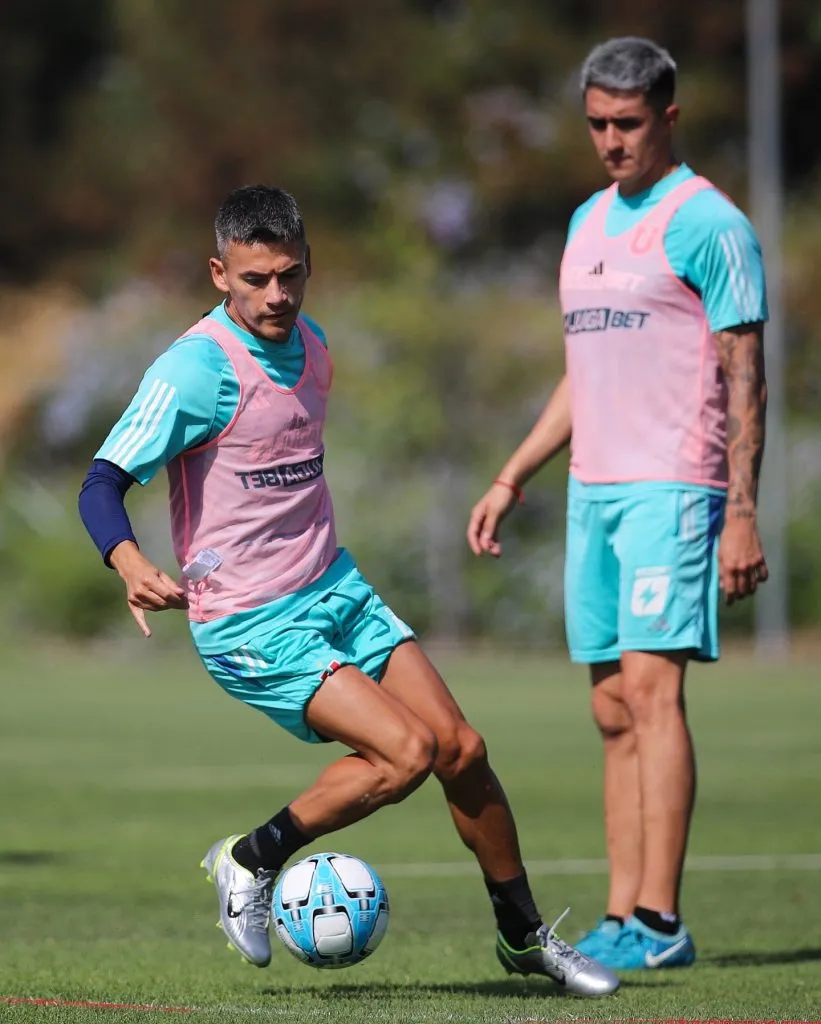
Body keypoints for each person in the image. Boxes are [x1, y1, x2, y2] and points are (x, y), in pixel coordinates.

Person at [78, 185, 618, 997]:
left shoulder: (315, 346)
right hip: (250, 620)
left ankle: (522, 938)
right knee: (404, 754)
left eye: (290, 275)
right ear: (219, 273)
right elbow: (101, 483)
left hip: (334, 586)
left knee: (462, 751)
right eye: (255, 279)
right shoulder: (194, 368)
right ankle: (250, 858)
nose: (276, 295)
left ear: (309, 267)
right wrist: (126, 560)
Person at [467, 37, 769, 971]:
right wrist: (514, 473)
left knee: (652, 691)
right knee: (607, 710)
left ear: (667, 118)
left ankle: (660, 921)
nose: (609, 141)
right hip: (592, 490)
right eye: (595, 123)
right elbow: (582, 371)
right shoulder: (586, 221)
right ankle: (618, 915)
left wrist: (743, 511)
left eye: (626, 124)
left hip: (673, 488)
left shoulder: (708, 223)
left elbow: (746, 378)